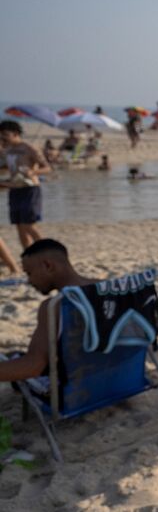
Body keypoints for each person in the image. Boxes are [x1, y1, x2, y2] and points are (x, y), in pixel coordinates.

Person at [0, 240, 97, 383]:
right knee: (15, 354)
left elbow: (33, 367)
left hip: (78, 389)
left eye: (29, 273)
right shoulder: (105, 288)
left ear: (48, 266)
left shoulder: (55, 306)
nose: (29, 280)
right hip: (120, 379)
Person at [0, 121, 52, 249]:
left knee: (28, 225)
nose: (3, 138)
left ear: (16, 134)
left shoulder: (29, 148)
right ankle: (28, 255)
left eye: (5, 135)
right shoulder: (6, 150)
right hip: (15, 190)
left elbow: (47, 168)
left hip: (30, 189)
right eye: (1, 135)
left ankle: (49, 251)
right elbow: (6, 168)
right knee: (19, 226)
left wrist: (33, 171)